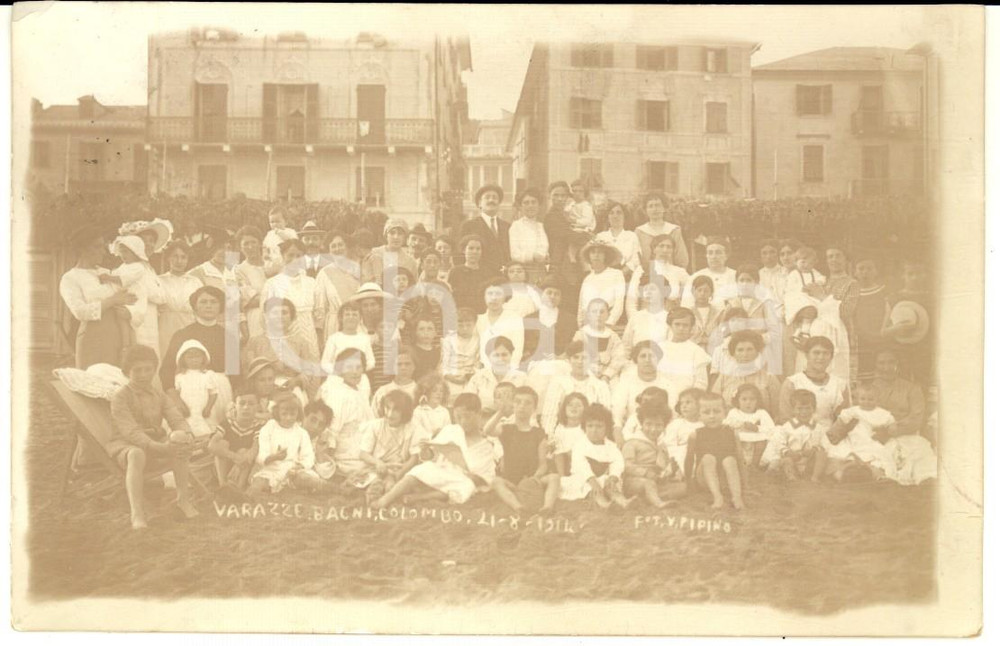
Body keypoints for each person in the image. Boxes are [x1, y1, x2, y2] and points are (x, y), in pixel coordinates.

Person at [108, 345, 200, 529]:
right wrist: (158, 447)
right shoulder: (121, 397)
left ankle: (183, 501)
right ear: (127, 372)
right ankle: (137, 513)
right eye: (137, 370)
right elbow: (130, 431)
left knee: (179, 439)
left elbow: (176, 417)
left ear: (154, 369)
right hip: (126, 444)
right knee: (137, 454)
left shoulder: (158, 394)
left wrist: (187, 435)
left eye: (148, 369)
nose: (143, 375)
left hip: (154, 442)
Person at [373, 393, 501, 507]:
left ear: (479, 414)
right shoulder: (451, 430)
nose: (462, 422)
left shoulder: (487, 443)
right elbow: (430, 457)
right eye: (458, 417)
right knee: (423, 468)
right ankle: (384, 500)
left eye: (467, 417)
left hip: (461, 479)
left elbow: (484, 479)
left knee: (466, 487)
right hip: (441, 471)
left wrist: (468, 471)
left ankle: (419, 497)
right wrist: (425, 451)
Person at [60, 227, 138, 368]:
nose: (103, 251)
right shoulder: (70, 278)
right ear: (82, 249)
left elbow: (129, 297)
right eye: (97, 247)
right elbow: (80, 312)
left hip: (117, 336)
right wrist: (113, 300)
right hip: (92, 338)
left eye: (103, 247)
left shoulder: (107, 273)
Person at [486, 386, 560, 514]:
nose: (522, 406)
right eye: (518, 402)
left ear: (534, 408)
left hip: (533, 480)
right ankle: (518, 507)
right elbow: (487, 430)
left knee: (554, 477)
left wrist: (533, 479)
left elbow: (543, 464)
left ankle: (547, 507)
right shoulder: (506, 429)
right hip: (511, 481)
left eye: (527, 403)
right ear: (513, 405)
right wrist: (500, 413)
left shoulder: (539, 433)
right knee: (496, 481)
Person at [244, 297, 321, 401]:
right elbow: (248, 370)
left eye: (284, 313)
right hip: (262, 393)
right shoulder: (254, 342)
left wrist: (296, 381)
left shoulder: (301, 342)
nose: (279, 317)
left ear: (292, 317)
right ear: (266, 316)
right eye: (274, 313)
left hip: (293, 390)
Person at [250, 394, 328, 495]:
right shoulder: (269, 427)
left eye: (292, 414)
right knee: (258, 482)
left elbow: (308, 457)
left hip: (293, 471)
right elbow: (261, 457)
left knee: (307, 478)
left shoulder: (301, 432)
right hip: (272, 469)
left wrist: (298, 467)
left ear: (298, 414)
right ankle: (244, 498)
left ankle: (339, 490)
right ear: (278, 413)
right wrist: (274, 457)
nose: (288, 418)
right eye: (284, 414)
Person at [558, 404, 632, 509]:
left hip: (603, 479)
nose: (594, 430)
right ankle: (604, 504)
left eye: (599, 426)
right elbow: (581, 466)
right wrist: (593, 482)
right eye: (590, 426)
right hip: (585, 479)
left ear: (606, 429)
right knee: (585, 486)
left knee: (610, 484)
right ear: (584, 427)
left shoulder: (611, 446)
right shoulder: (580, 445)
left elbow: (618, 462)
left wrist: (613, 477)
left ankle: (622, 501)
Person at [317, 349, 375, 480]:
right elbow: (332, 430)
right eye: (349, 367)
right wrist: (327, 457)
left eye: (358, 367)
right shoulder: (339, 394)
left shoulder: (358, 391)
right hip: (347, 452)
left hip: (362, 445)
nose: (355, 372)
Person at [160, 285, 232, 390]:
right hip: (190, 390)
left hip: (221, 389)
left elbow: (236, 374)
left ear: (220, 307)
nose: (209, 306)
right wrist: (173, 395)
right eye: (203, 302)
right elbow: (167, 370)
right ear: (195, 307)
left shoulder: (229, 337)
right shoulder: (182, 335)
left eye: (213, 302)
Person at [684, 391, 746, 510]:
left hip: (725, 480)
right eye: (706, 412)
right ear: (699, 415)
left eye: (717, 411)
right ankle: (717, 497)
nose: (712, 416)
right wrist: (688, 482)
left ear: (725, 413)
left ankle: (736, 497)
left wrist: (746, 485)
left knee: (730, 460)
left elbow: (740, 459)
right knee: (708, 458)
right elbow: (689, 459)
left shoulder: (732, 433)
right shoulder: (695, 435)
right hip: (704, 480)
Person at [261, 238, 322, 359]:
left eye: (299, 256)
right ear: (283, 256)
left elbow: (319, 313)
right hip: (284, 340)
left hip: (310, 338)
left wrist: (319, 339)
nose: (294, 259)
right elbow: (264, 318)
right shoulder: (272, 284)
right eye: (290, 255)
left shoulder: (311, 282)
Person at [110, 235, 167, 361]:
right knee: (138, 353)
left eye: (152, 241)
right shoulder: (133, 269)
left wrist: (159, 297)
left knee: (151, 353)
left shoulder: (149, 268)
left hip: (150, 317)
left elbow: (162, 296)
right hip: (136, 315)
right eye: (145, 241)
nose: (149, 245)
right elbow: (156, 295)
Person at [358, 390, 419, 503]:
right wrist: (377, 462)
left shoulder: (411, 428)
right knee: (375, 482)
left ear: (404, 412)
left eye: (395, 410)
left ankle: (389, 491)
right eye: (387, 408)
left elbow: (414, 457)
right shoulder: (375, 426)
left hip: (399, 470)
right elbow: (363, 454)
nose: (390, 414)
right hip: (377, 468)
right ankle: (377, 491)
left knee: (393, 486)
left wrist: (400, 473)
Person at [622, 401, 686, 508]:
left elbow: (664, 466)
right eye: (648, 424)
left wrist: (670, 471)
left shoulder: (662, 445)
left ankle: (647, 498)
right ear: (641, 423)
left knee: (683, 487)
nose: (653, 429)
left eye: (658, 425)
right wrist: (646, 473)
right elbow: (626, 465)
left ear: (664, 426)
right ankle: (659, 503)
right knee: (648, 484)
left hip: (656, 481)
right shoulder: (632, 442)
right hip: (634, 481)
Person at [540, 340, 612, 435]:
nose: (580, 362)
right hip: (563, 433)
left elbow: (605, 416)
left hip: (591, 436)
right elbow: (549, 415)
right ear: (569, 360)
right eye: (576, 357)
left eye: (584, 358)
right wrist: (549, 438)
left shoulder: (600, 386)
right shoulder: (558, 383)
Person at [778, 336, 851, 428]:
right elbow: (785, 418)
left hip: (831, 437)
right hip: (799, 436)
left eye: (826, 353)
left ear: (831, 357)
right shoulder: (792, 383)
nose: (821, 357)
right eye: (816, 353)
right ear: (807, 355)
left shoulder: (840, 384)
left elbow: (845, 418)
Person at [710, 329, 781, 416]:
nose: (745, 354)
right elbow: (714, 407)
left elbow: (778, 412)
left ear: (758, 351)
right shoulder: (724, 376)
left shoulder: (769, 378)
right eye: (740, 350)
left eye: (750, 349)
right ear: (733, 353)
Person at [171, 340, 232, 440]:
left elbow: (213, 393)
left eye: (197, 356)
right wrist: (181, 406)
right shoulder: (180, 377)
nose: (194, 360)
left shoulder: (208, 375)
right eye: (190, 357)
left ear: (203, 358)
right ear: (183, 359)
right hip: (188, 409)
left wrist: (208, 408)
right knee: (188, 430)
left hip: (203, 409)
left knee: (207, 430)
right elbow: (177, 394)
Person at [611, 342, 672, 440]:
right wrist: (619, 437)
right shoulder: (626, 383)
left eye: (652, 356)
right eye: (643, 356)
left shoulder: (668, 385)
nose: (647, 360)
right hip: (633, 432)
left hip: (661, 434)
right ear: (636, 360)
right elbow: (617, 414)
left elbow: (672, 418)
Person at [760, 389, 824, 482]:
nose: (804, 412)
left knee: (821, 455)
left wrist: (814, 449)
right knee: (786, 461)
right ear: (793, 410)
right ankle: (792, 477)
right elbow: (780, 443)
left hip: (809, 458)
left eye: (808, 408)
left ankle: (815, 477)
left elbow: (822, 443)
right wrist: (787, 452)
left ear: (814, 409)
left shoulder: (818, 427)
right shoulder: (787, 427)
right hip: (793, 457)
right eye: (800, 408)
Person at [208, 386, 264, 490]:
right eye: (242, 403)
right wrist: (235, 457)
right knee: (222, 444)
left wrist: (240, 462)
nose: (246, 407)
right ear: (235, 406)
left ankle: (238, 489)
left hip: (244, 470)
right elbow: (211, 445)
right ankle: (223, 486)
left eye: (251, 404)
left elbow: (254, 450)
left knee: (244, 451)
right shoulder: (227, 424)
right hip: (224, 467)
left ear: (258, 407)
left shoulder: (259, 427)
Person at [626, 234, 688, 319]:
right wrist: (635, 321)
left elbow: (691, 295)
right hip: (646, 318)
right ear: (654, 249)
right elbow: (631, 300)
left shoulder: (679, 272)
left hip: (670, 319)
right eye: (661, 246)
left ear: (673, 250)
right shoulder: (643, 269)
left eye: (669, 247)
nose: (665, 250)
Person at [158, 241, 203, 358]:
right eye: (175, 256)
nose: (179, 261)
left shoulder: (195, 282)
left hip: (189, 327)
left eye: (183, 257)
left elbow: (200, 309)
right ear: (168, 258)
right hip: (165, 328)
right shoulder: (159, 280)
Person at [315, 229, 362, 340]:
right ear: (329, 250)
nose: (337, 249)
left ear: (347, 247)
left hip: (357, 322)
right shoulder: (324, 273)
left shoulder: (358, 268)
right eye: (333, 246)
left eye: (340, 245)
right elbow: (320, 306)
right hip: (334, 325)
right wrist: (319, 331)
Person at [658, 307, 711, 406]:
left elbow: (701, 383)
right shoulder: (660, 348)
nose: (681, 328)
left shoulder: (696, 351)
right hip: (661, 400)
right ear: (670, 326)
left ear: (691, 328)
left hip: (685, 403)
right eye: (677, 324)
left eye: (685, 325)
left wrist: (689, 402)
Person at [521, 274, 577, 366]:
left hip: (561, 364)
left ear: (561, 298)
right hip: (534, 364)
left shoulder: (569, 319)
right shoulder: (528, 319)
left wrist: (560, 358)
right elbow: (524, 347)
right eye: (549, 292)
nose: (552, 296)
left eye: (556, 294)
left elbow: (572, 346)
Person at [871, 349, 927, 437]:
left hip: (904, 436)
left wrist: (892, 431)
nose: (886, 368)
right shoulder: (867, 390)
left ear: (897, 364)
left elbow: (916, 419)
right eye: (881, 363)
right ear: (875, 365)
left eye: (891, 362)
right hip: (874, 435)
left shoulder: (912, 389)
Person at [464, 336, 526, 412]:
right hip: (484, 421)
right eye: (496, 355)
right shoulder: (478, 378)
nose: (500, 359)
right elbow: (468, 405)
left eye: (504, 355)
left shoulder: (521, 378)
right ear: (488, 357)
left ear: (511, 355)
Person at [459, 184, 511, 275]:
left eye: (495, 198)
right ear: (479, 203)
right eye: (487, 197)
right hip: (478, 276)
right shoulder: (469, 226)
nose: (491, 200)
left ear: (499, 203)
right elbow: (460, 254)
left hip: (503, 276)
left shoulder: (507, 227)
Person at [477, 277, 525, 370]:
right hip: (482, 370)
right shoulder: (478, 320)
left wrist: (509, 370)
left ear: (505, 297)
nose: (494, 298)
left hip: (507, 369)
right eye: (490, 294)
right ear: (484, 297)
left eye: (498, 294)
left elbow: (518, 349)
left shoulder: (514, 319)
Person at [853, 256, 888, 382]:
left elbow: (888, 314)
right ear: (855, 273)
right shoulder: (852, 293)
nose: (865, 272)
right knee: (863, 375)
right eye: (861, 269)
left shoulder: (884, 291)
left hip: (880, 339)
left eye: (869, 268)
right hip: (860, 341)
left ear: (876, 271)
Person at [573, 299, 627, 382]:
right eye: (594, 311)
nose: (598, 315)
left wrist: (607, 375)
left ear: (608, 315)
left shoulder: (613, 337)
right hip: (586, 374)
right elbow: (575, 357)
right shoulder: (581, 335)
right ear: (588, 315)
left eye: (602, 312)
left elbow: (619, 357)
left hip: (608, 376)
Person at [723, 383, 776, 467]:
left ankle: (755, 465)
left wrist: (757, 428)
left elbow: (772, 429)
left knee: (762, 442)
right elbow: (727, 424)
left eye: (752, 399)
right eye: (744, 399)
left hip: (756, 440)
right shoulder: (734, 412)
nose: (748, 402)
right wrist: (739, 425)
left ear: (757, 401)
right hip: (740, 440)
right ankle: (739, 464)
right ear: (737, 400)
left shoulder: (761, 413)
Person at [577, 239, 626, 327]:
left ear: (605, 255)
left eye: (600, 252)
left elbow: (619, 303)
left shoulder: (616, 275)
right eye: (593, 252)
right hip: (588, 324)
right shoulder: (587, 279)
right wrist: (580, 325)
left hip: (607, 323)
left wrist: (609, 323)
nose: (596, 255)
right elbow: (581, 307)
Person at [319, 300, 376, 378]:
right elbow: (325, 363)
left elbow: (371, 361)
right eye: (347, 314)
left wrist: (359, 371)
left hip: (359, 378)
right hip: (338, 378)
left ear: (360, 318)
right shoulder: (334, 338)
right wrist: (339, 373)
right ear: (341, 318)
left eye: (354, 315)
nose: (351, 317)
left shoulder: (364, 338)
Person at [636, 192, 689, 270]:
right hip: (646, 276)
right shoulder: (639, 232)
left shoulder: (674, 230)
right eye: (650, 206)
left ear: (664, 208)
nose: (655, 209)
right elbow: (636, 258)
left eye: (658, 205)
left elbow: (682, 259)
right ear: (646, 210)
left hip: (670, 274)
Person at [621, 276, 672, 357]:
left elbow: (671, 349)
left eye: (652, 289)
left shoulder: (670, 318)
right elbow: (626, 346)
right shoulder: (636, 317)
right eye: (645, 289)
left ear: (663, 292)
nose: (648, 292)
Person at [362, 218, 419, 289]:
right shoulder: (374, 253)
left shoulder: (410, 262)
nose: (396, 237)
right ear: (386, 235)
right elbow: (365, 279)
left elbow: (413, 287)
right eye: (392, 233)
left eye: (400, 233)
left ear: (405, 237)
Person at [508, 188, 550, 285]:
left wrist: (544, 256)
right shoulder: (516, 226)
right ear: (521, 207)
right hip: (524, 272)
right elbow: (514, 254)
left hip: (541, 271)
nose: (530, 205)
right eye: (526, 203)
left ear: (539, 205)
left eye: (533, 202)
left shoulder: (541, 226)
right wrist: (533, 256)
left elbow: (544, 249)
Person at [234, 225, 267, 340]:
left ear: (260, 243)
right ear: (240, 248)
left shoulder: (272, 265)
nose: (250, 247)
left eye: (253, 242)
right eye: (246, 244)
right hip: (255, 318)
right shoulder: (239, 270)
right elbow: (248, 299)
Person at [681, 238, 736, 308]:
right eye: (710, 253)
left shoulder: (735, 276)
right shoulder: (695, 277)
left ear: (726, 255)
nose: (713, 257)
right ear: (706, 256)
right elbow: (687, 304)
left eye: (718, 252)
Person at [448, 234, 496, 314]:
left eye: (478, 249)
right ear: (464, 250)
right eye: (471, 248)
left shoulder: (488, 273)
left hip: (482, 314)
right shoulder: (455, 272)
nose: (474, 252)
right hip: (461, 314)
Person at [662, 388, 703, 478]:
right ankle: (679, 472)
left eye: (688, 402)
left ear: (700, 405)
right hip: (678, 455)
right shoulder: (677, 423)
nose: (683, 406)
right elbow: (669, 443)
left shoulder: (703, 424)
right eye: (681, 403)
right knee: (683, 451)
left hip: (699, 454)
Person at [595, 201, 641, 278]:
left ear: (624, 217)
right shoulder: (600, 236)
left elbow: (636, 259)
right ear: (608, 217)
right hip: (604, 277)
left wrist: (620, 274)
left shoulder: (631, 236)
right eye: (611, 213)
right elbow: (595, 257)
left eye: (619, 213)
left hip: (625, 277)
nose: (615, 216)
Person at [441, 307, 481, 393]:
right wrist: (451, 378)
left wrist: (469, 377)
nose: (465, 328)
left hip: (471, 379)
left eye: (468, 325)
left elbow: (478, 364)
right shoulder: (448, 340)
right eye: (460, 325)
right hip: (451, 378)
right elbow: (444, 363)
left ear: (474, 324)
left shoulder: (478, 340)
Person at [371, 346, 419, 414]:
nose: (403, 368)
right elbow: (374, 416)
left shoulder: (420, 391)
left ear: (414, 366)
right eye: (399, 364)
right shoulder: (383, 391)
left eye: (407, 364)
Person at [550, 392, 588, 476]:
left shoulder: (584, 428)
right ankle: (562, 478)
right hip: (562, 462)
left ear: (585, 409)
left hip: (579, 460)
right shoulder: (560, 427)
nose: (574, 407)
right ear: (564, 409)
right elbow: (557, 446)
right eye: (570, 405)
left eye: (578, 405)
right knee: (558, 453)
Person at [411, 373, 452, 447]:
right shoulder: (419, 411)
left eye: (441, 391)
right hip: (422, 445)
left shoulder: (444, 412)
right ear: (425, 393)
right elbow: (417, 433)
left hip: (441, 445)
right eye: (434, 391)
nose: (439, 394)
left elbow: (448, 431)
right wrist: (432, 435)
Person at [688, 276, 723, 351]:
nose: (702, 293)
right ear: (693, 291)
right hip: (693, 349)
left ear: (711, 293)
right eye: (699, 290)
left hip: (713, 349)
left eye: (706, 291)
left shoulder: (718, 313)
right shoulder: (687, 313)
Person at [262, 206, 298, 277]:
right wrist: (265, 253)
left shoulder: (290, 232)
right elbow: (264, 246)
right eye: (272, 222)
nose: (274, 224)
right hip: (273, 261)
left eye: (278, 221)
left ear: (286, 222)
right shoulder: (270, 234)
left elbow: (294, 242)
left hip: (286, 262)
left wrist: (281, 233)